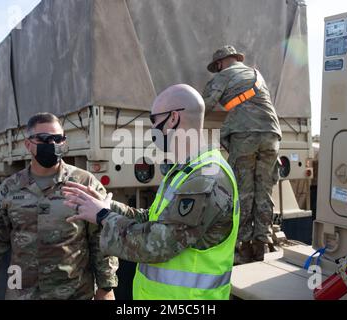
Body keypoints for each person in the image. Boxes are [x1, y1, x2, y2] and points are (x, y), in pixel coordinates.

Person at [63, 84, 239, 300]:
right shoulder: (185, 169)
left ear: (173, 118)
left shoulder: (205, 177)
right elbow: (155, 219)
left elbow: (156, 245)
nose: (152, 128)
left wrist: (102, 217)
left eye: (154, 120)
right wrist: (110, 207)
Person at [0, 113, 118, 300]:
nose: (51, 144)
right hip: (22, 293)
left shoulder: (84, 184)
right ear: (28, 144)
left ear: (64, 143)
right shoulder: (9, 188)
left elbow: (101, 239)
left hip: (73, 293)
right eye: (43, 139)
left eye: (57, 139)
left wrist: (106, 287)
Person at [202, 45, 282, 264]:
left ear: (220, 64)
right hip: (272, 134)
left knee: (243, 192)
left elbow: (203, 106)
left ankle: (243, 246)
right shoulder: (257, 74)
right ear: (236, 58)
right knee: (264, 190)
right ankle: (263, 244)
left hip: (246, 135)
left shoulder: (224, 76)